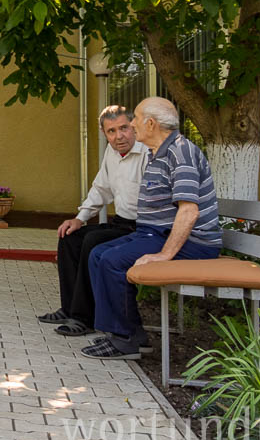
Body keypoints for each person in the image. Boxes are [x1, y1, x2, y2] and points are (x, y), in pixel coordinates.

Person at [82, 97, 221, 360]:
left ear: (151, 123)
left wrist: (164, 255)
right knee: (98, 253)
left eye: (134, 118)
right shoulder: (159, 153)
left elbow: (189, 210)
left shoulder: (181, 152)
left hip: (191, 242)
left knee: (112, 261)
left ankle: (125, 341)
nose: (132, 124)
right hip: (156, 233)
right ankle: (129, 335)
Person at [37, 106, 147, 338]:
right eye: (111, 131)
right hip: (122, 223)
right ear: (104, 133)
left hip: (144, 229)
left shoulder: (147, 153)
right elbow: (101, 189)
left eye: (124, 128)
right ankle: (69, 309)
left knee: (93, 241)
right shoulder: (112, 152)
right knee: (70, 237)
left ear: (133, 126)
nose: (119, 136)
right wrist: (79, 219)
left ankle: (83, 318)